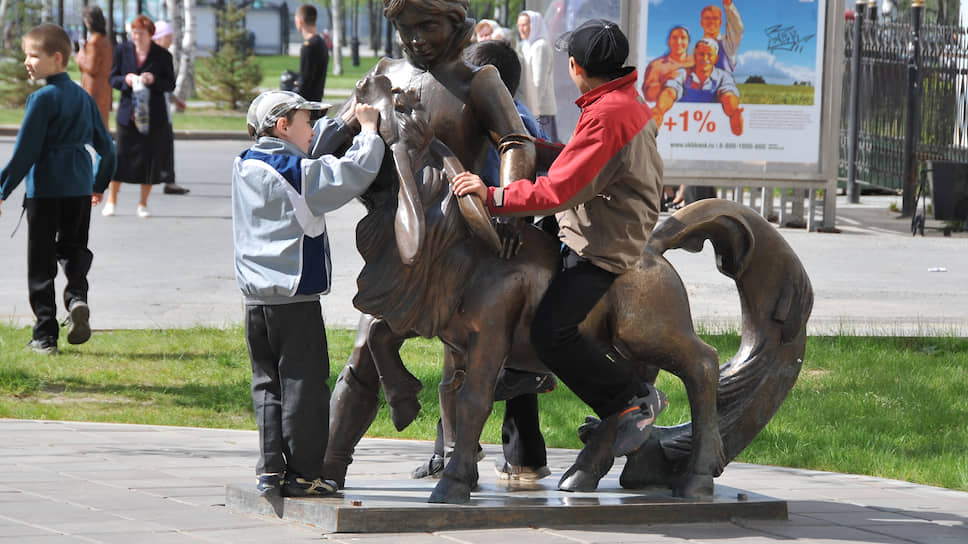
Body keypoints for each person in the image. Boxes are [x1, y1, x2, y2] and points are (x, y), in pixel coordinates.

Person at [322, 0, 538, 490]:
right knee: (364, 351)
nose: (415, 37)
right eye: (404, 28)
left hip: (456, 237)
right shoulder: (383, 75)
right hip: (397, 236)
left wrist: (504, 203)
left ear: (455, 25)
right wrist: (345, 125)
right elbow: (338, 135)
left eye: (428, 26)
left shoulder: (477, 82)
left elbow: (517, 144)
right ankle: (329, 467)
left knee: (457, 352)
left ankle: (462, 464)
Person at [451, 19, 668, 458]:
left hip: (604, 240)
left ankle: (628, 400)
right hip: (597, 218)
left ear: (575, 67)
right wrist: (530, 145)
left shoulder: (607, 115)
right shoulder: (618, 100)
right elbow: (578, 161)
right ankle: (523, 370)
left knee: (553, 332)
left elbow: (559, 191)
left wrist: (490, 195)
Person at [408, 39, 557, 482]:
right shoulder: (516, 113)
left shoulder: (505, 120)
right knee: (495, 352)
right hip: (495, 238)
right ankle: (521, 455)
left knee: (467, 354)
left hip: (493, 242)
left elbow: (521, 168)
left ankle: (457, 452)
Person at [233, 90, 383, 497]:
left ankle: (270, 470)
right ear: (283, 126)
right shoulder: (298, 172)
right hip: (295, 300)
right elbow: (352, 173)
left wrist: (343, 121)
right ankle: (304, 475)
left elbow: (309, 153)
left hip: (256, 300)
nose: (312, 128)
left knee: (268, 384)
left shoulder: (246, 164)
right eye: (306, 121)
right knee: (304, 385)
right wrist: (368, 131)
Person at [0, 23, 117, 355]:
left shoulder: (41, 99)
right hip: (79, 186)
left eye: (33, 55)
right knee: (74, 248)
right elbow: (107, 149)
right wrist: (98, 183)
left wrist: (2, 189)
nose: (27, 62)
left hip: (46, 188)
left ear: (56, 58)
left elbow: (26, 151)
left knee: (41, 262)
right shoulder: (83, 96)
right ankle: (77, 297)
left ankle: (45, 334)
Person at [104, 15, 175, 218]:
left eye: (141, 34)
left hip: (153, 116)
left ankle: (142, 204)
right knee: (120, 159)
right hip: (128, 115)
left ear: (151, 34)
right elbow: (112, 78)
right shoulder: (122, 50)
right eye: (134, 33)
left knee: (149, 161)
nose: (136, 37)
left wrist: (153, 79)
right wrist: (125, 80)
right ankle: (112, 201)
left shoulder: (162, 55)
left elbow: (170, 84)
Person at [652, 38, 743, 135]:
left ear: (716, 58)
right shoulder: (681, 74)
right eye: (701, 54)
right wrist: (659, 110)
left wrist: (734, 112)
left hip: (712, 133)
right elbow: (669, 92)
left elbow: (728, 95)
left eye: (710, 55)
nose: (705, 58)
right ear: (695, 56)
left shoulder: (724, 77)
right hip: (682, 132)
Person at [151, 20, 190, 196]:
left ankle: (169, 181)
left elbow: (166, 85)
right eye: (168, 37)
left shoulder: (164, 55)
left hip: (162, 110)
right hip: (149, 111)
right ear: (159, 37)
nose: (171, 40)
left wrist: (174, 99)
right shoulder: (152, 57)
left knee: (165, 146)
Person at [516, 10, 558, 142]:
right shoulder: (526, 46)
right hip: (533, 107)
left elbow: (539, 81)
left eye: (524, 25)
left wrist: (533, 110)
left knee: (546, 149)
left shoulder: (540, 46)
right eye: (519, 25)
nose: (521, 29)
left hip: (541, 109)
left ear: (534, 25)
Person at [75, 5, 113, 128]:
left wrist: (80, 59)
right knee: (102, 123)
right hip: (105, 87)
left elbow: (91, 68)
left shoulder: (94, 41)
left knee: (92, 125)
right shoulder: (105, 40)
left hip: (93, 89)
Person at [641, 25, 693, 103]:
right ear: (669, 41)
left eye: (683, 38)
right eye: (674, 38)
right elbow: (648, 96)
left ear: (688, 42)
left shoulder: (697, 63)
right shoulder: (656, 65)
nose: (678, 42)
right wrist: (664, 82)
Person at [294, 4, 330, 102]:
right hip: (317, 100)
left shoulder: (308, 46)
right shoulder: (321, 42)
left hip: (307, 104)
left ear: (300, 21)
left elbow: (305, 81)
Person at [701, 0, 743, 73]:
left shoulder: (728, 44)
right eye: (707, 18)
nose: (711, 22)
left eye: (715, 18)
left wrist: (728, 5)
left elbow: (736, 28)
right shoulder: (695, 49)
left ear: (720, 22)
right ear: (701, 23)